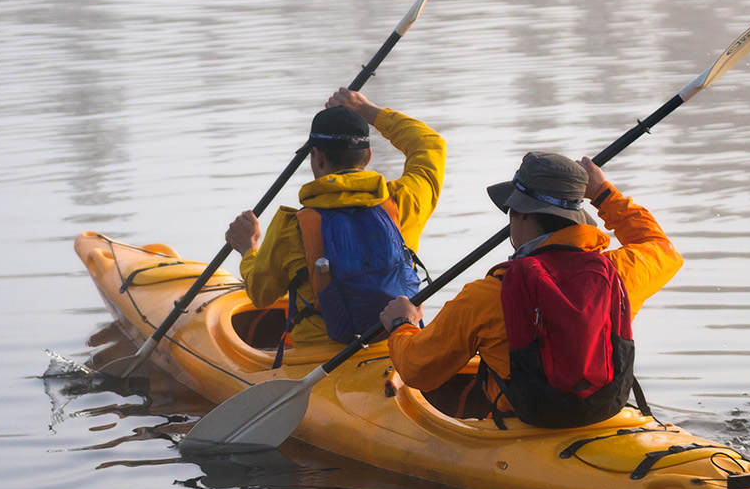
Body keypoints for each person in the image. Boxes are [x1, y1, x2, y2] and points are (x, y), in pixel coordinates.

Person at [380, 151, 681, 427]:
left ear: (522, 214)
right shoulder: (617, 273)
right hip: (604, 415)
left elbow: (417, 370)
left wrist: (401, 324)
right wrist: (603, 193)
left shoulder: (486, 295)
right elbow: (662, 249)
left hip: (522, 425)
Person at [225, 88, 445, 354]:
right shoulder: (403, 201)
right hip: (396, 344)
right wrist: (367, 109)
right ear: (368, 157)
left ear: (317, 157)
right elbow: (430, 144)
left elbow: (261, 294)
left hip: (318, 360)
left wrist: (248, 249)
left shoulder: (290, 226)